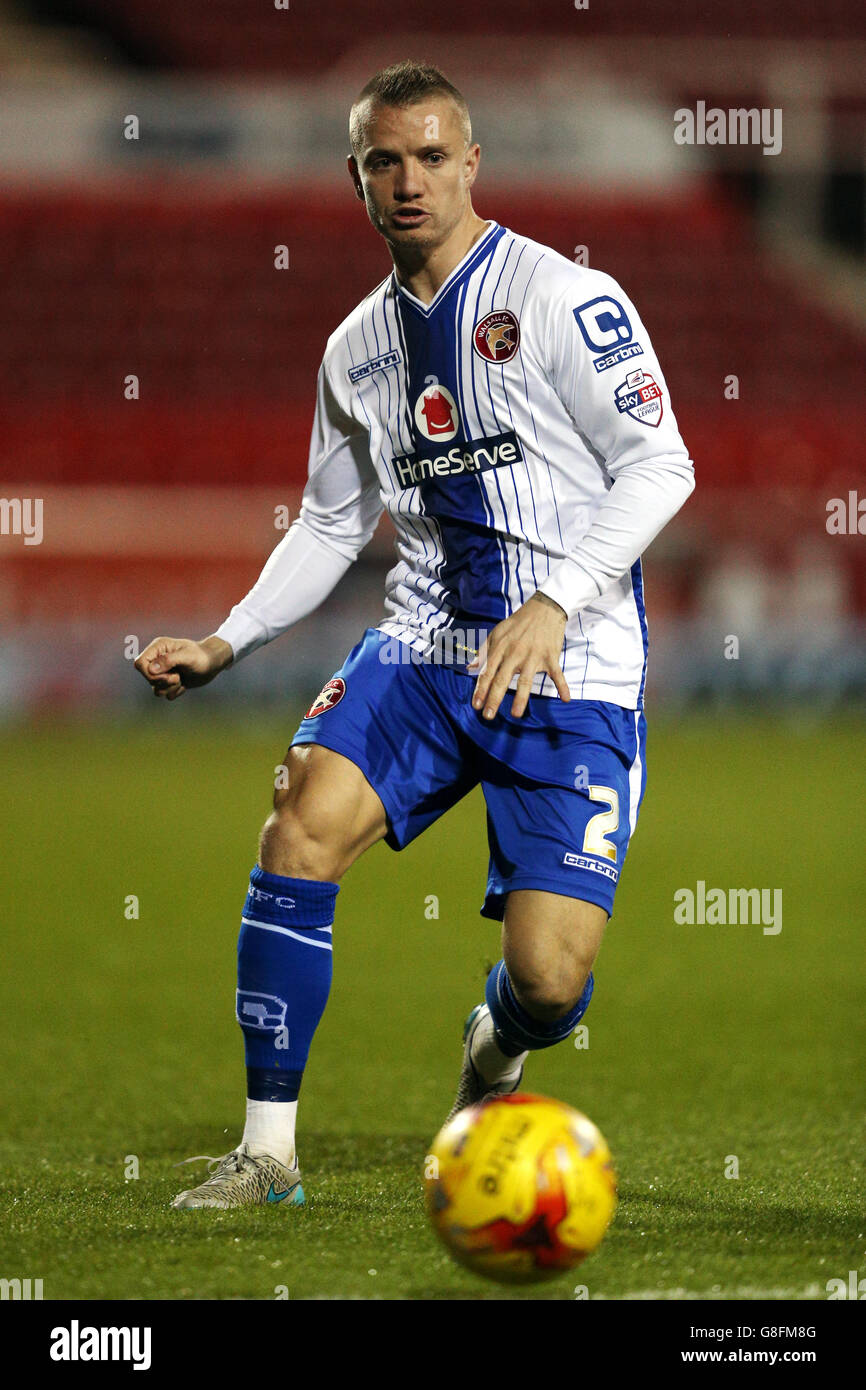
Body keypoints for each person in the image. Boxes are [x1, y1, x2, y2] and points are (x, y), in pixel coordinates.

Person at [135, 60, 695, 1210]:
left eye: (432, 156)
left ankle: (494, 1042)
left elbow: (660, 462)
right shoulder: (355, 349)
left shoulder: (561, 299)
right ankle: (267, 1155)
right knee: (297, 824)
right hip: (426, 649)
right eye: (384, 160)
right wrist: (225, 639)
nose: (409, 180)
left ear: (471, 163)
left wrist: (557, 597)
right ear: (355, 178)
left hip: (572, 662)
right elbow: (332, 523)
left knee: (549, 977)